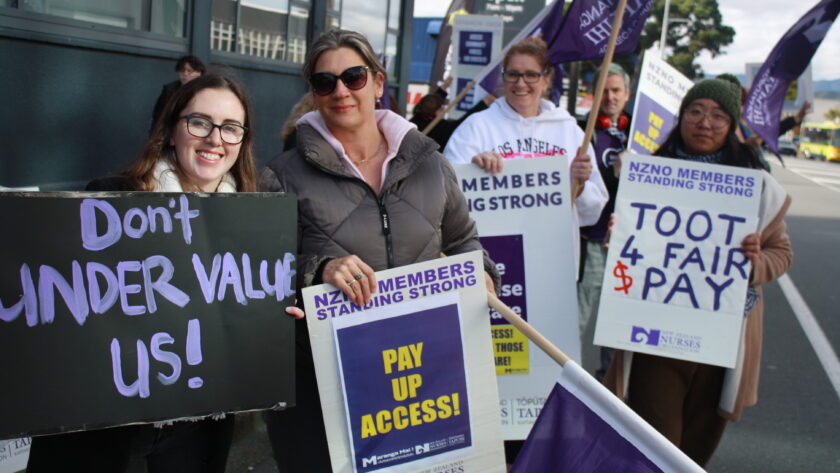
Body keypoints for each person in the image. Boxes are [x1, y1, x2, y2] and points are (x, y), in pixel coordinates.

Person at [258, 29, 500, 473]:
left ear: (378, 82)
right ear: (313, 93)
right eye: (324, 82)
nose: (341, 91)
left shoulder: (431, 163)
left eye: (353, 76)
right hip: (324, 384)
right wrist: (320, 268)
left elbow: (464, 240)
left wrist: (481, 272)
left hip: (422, 380)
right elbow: (260, 274)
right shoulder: (281, 175)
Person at [27, 73, 257, 473]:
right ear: (170, 130)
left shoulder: (254, 223)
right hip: (106, 426)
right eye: (200, 122)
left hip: (196, 426)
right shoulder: (107, 201)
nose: (215, 138)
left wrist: (272, 319)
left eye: (231, 127)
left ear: (242, 140)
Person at [605, 79, 793, 467]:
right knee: (656, 444)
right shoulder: (648, 176)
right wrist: (620, 238)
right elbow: (633, 250)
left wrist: (754, 262)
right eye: (695, 111)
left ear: (732, 124)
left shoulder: (758, 186)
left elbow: (782, 254)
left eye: (718, 115)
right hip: (656, 333)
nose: (705, 122)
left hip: (723, 338)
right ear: (681, 117)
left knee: (695, 449)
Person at [442, 36, 608, 465]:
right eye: (512, 74)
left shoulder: (570, 131)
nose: (521, 84)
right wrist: (474, 168)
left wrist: (578, 181)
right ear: (503, 77)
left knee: (546, 374)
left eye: (530, 75)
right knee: (494, 372)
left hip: (552, 274)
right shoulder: (477, 127)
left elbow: (592, 211)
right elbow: (445, 197)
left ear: (547, 79)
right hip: (497, 273)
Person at [576, 63, 632, 381]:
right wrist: (614, 177)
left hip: (630, 247)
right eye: (603, 91)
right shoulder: (580, 132)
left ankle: (612, 396)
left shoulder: (644, 135)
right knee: (576, 323)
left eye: (616, 91)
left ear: (627, 94)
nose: (610, 97)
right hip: (592, 243)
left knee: (619, 331)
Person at [409, 77, 492, 150]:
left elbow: (430, 103)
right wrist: (484, 103)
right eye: (441, 108)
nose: (443, 110)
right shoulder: (439, 128)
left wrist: (444, 87)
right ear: (436, 112)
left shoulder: (416, 119)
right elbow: (462, 122)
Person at [152, 55, 206, 127]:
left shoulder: (205, 91)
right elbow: (158, 115)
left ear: (199, 73)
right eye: (182, 70)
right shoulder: (170, 90)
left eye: (190, 71)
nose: (185, 74)